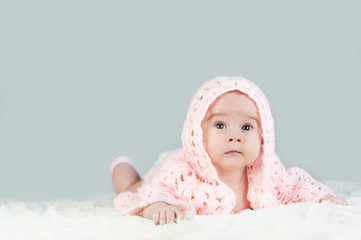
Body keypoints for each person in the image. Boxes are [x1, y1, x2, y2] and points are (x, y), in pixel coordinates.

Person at [110, 76, 348, 225]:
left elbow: (294, 186)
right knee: (132, 188)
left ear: (263, 135)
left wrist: (321, 196)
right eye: (220, 125)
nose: (234, 136)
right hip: (169, 163)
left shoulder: (266, 170)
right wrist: (159, 206)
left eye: (247, 127)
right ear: (198, 132)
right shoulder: (178, 173)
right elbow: (155, 190)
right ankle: (121, 165)